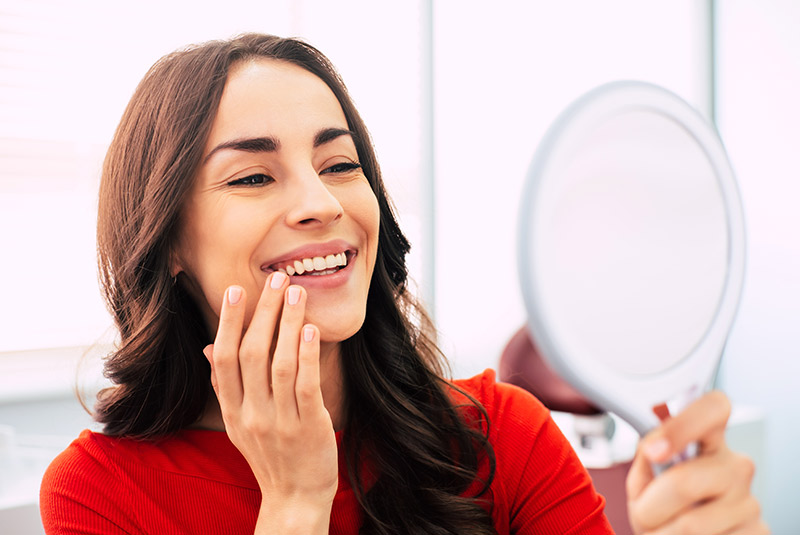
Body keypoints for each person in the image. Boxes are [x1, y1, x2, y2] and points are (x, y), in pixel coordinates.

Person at [40, 33, 767, 535]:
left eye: (340, 164)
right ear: (168, 241)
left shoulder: (504, 436)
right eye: (254, 175)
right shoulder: (99, 493)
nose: (322, 203)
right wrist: (295, 501)